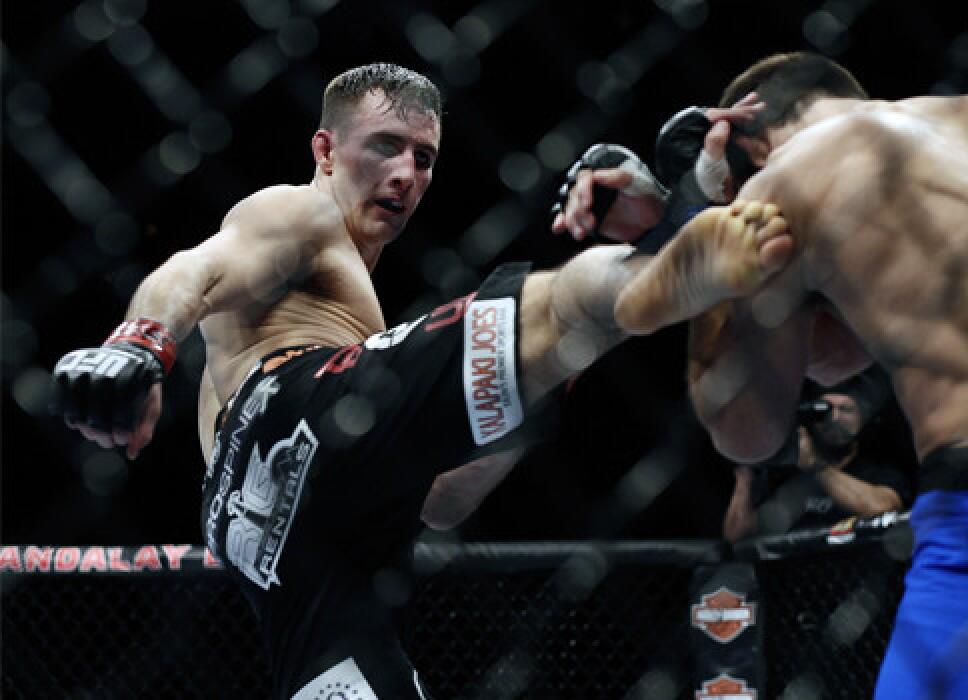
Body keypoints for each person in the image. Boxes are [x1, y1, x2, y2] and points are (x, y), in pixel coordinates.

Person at [48, 62, 792, 699]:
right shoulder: (297, 211)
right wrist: (142, 345)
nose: (407, 173)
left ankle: (628, 281)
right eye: (385, 147)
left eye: (426, 157)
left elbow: (442, 500)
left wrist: (543, 378)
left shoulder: (352, 328)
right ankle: (679, 225)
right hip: (292, 420)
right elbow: (197, 268)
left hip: (285, 552)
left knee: (559, 342)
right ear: (327, 150)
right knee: (555, 298)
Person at [571, 52, 968, 697]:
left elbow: (745, 430)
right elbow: (846, 349)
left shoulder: (784, 182)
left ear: (745, 136)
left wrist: (708, 241)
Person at [722, 366, 910, 541]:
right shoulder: (786, 473)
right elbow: (737, 535)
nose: (834, 418)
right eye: (825, 409)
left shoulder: (877, 471)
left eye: (846, 410)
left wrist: (816, 467)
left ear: (862, 419)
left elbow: (882, 510)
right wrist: (745, 474)